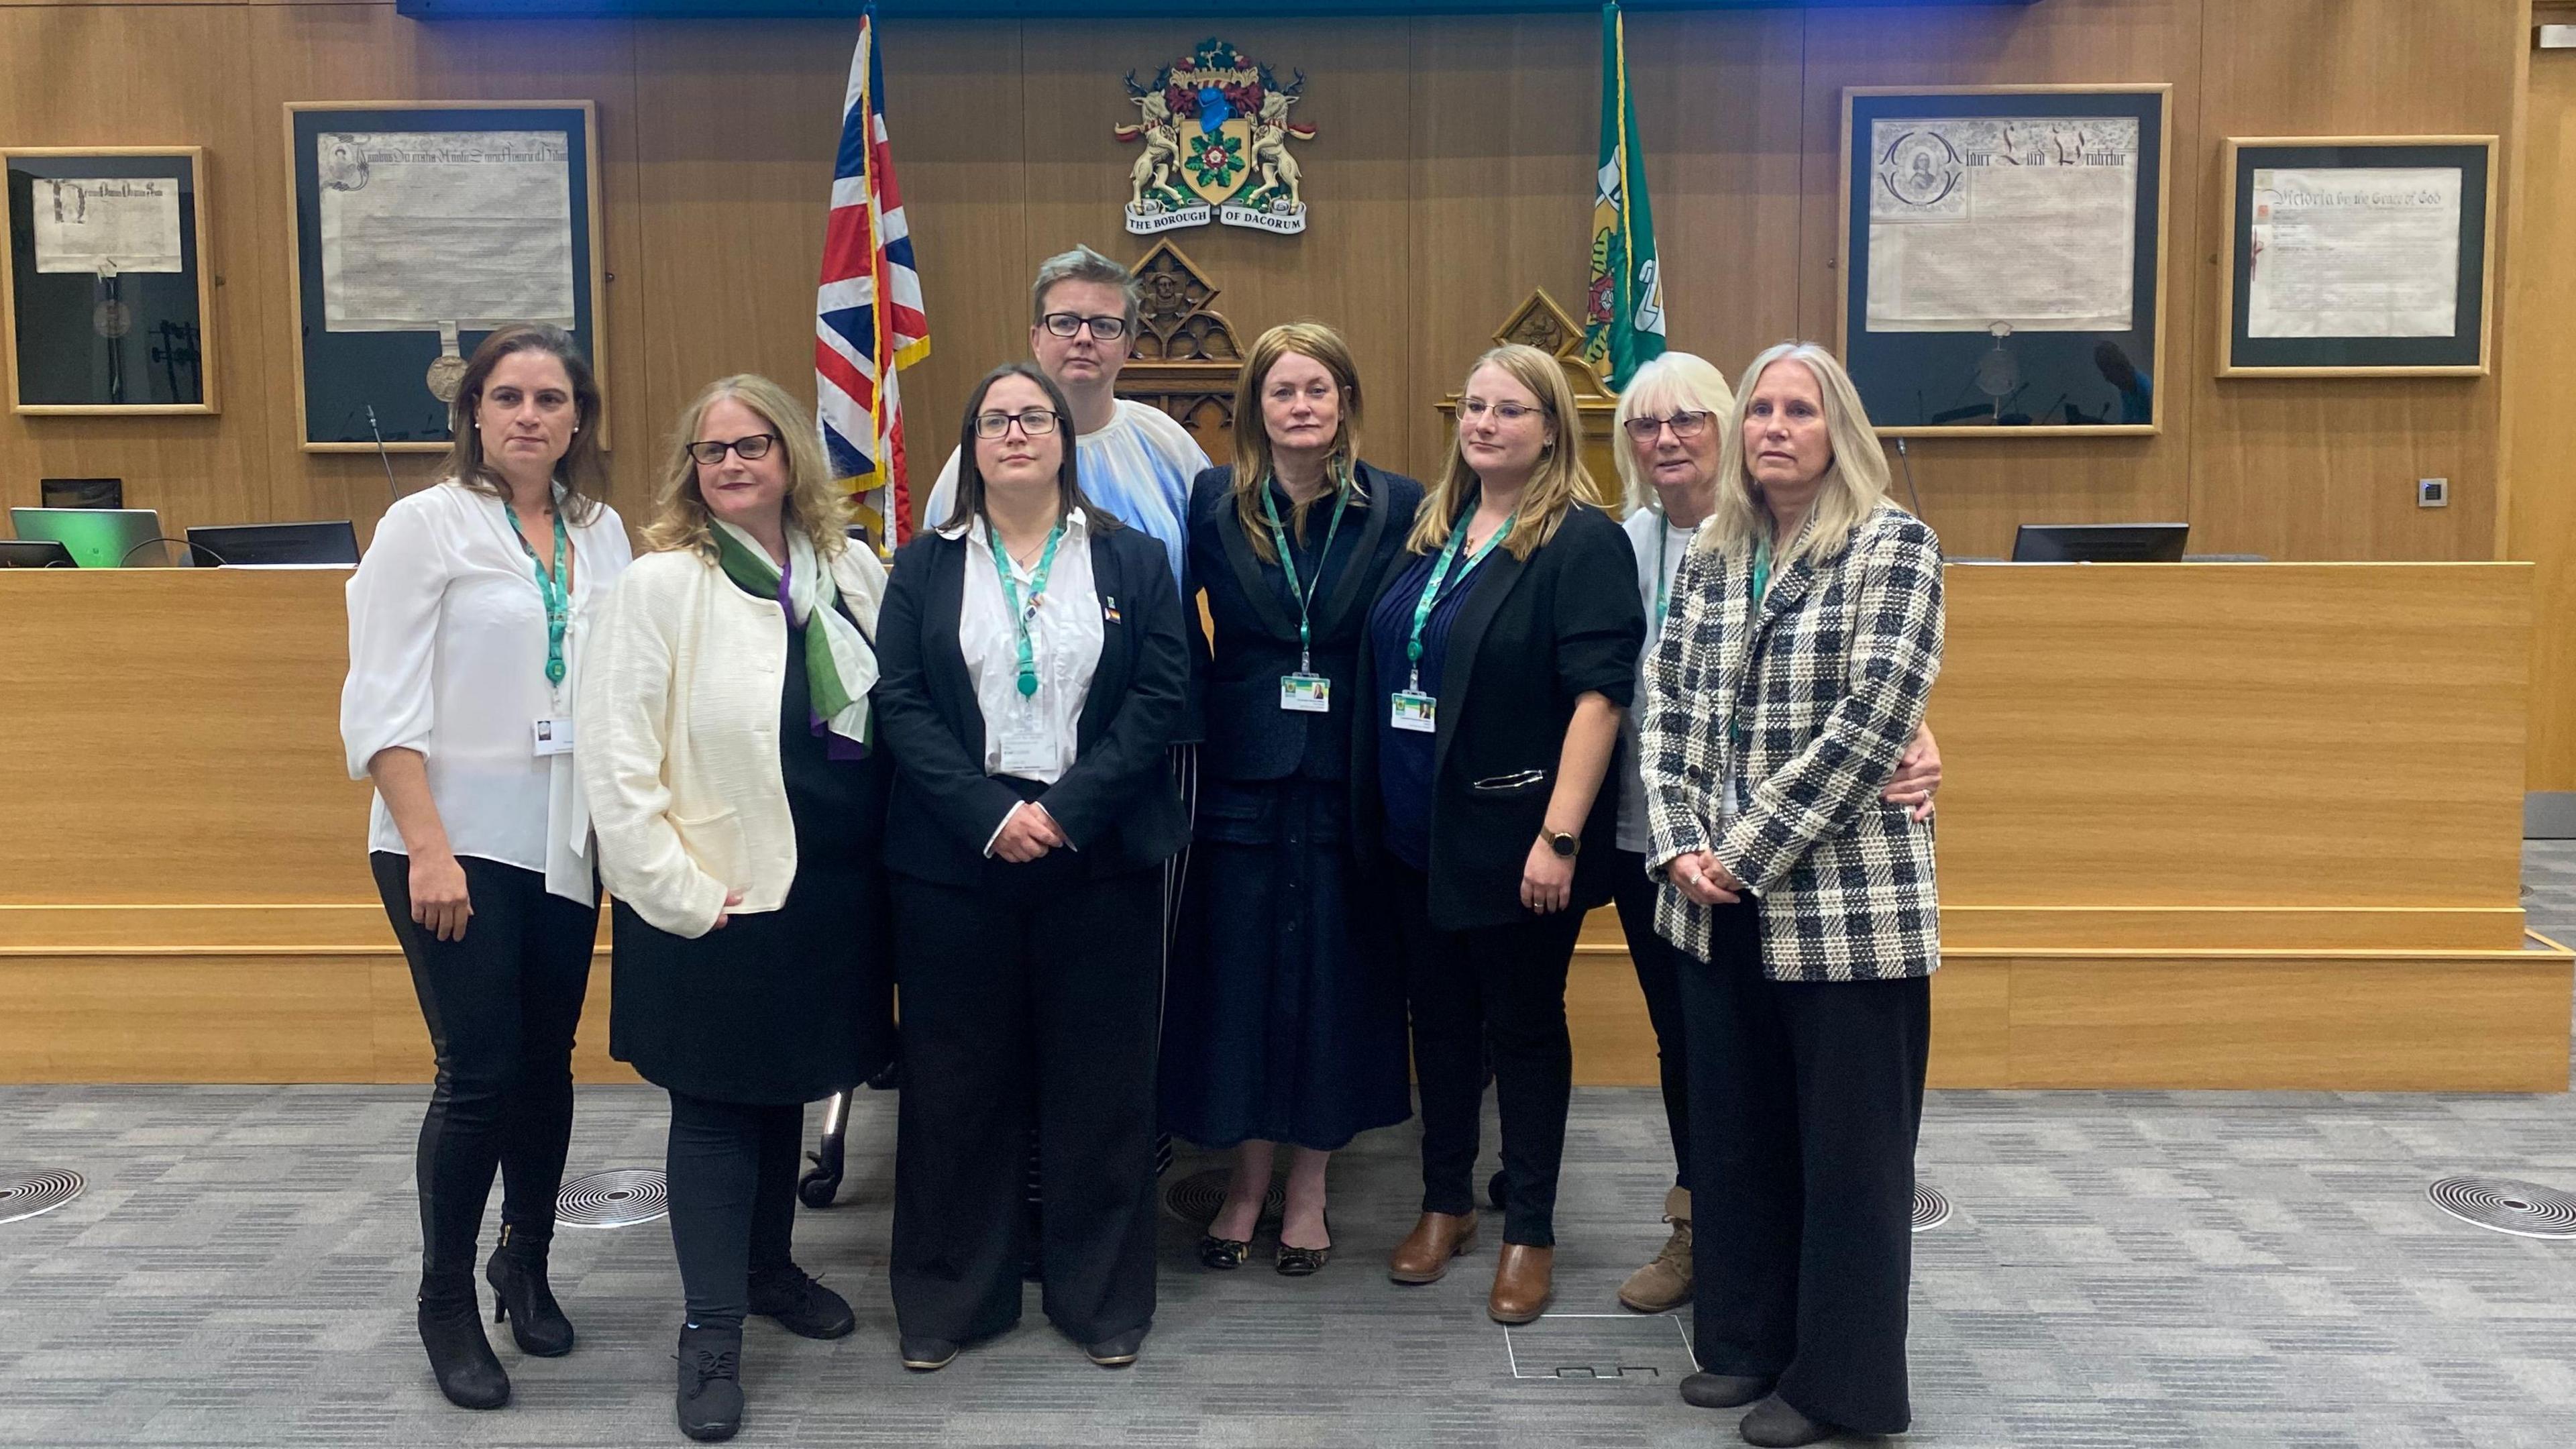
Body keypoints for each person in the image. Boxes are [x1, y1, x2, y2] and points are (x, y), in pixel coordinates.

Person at [578, 376, 894, 1442]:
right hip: (713, 894)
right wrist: (671, 890)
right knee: (716, 1108)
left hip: (831, 895)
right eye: (713, 451)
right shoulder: (663, 583)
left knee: (786, 1091)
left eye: (753, 444)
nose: (733, 464)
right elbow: (615, 761)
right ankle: (710, 1330)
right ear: (691, 470)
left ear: (791, 454)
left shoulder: (850, 568)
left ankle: (768, 1272)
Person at [1642, 342, 1944, 1448]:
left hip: (1840, 908)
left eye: (1798, 410)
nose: (1773, 426)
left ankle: (1842, 1389)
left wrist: (1744, 851)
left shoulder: (1893, 546)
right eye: (1760, 407)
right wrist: (1678, 843)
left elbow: (1872, 723)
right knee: (1738, 1141)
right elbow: (1664, 707)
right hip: (1711, 906)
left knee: (1850, 1164)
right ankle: (1748, 1344)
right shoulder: (1713, 554)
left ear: (1839, 430)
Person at [873, 363, 1190, 1373]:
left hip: (1097, 859)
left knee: (1102, 1088)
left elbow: (1160, 697)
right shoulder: (925, 565)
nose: (1017, 433)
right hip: (955, 863)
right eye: (997, 419)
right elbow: (901, 703)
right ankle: (948, 1303)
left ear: (1065, 439)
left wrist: (1062, 812)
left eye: (1036, 418)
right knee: (953, 1088)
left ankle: (1100, 1302)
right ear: (972, 446)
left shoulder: (1132, 562)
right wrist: (990, 814)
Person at [340, 323, 631, 1411]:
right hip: (449, 843)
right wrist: (427, 844)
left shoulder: (604, 535)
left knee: (547, 1063)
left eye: (550, 399)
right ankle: (446, 1301)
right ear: (471, 412)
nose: (527, 416)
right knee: (476, 1074)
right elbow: (381, 704)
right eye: (505, 396)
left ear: (578, 420)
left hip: (563, 839)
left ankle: (528, 1257)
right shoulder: (425, 526)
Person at [1357, 342, 1644, 1324]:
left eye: (1511, 410)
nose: (1485, 424)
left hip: (1519, 841)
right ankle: (1445, 1204)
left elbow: (1601, 698)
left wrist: (1560, 838)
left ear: (1553, 427)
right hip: (1415, 831)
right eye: (1474, 407)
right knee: (1435, 1026)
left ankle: (1530, 1225)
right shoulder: (1432, 530)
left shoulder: (1580, 541)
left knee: (1521, 1031)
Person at [1159, 323, 1422, 1276]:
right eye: (1282, 392)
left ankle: (1309, 1189)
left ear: (1346, 399)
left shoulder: (1398, 505)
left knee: (1333, 983)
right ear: (1254, 408)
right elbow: (1175, 632)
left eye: (1319, 388)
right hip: (1238, 774)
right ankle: (1243, 1182)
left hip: (1352, 775)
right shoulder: (1208, 500)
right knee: (1238, 984)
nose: (1302, 406)